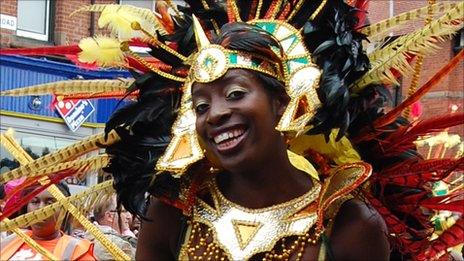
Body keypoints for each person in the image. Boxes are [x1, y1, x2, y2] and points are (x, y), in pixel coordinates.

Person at [0, 0, 462, 260]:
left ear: (283, 100)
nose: (216, 113)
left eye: (236, 94)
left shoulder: (345, 224)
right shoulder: (174, 210)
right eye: (201, 105)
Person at [0, 181, 96, 260]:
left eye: (50, 203)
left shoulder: (77, 251)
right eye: (34, 202)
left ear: (64, 210)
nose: (41, 208)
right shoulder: (12, 239)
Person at [84, 195, 136, 260]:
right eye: (123, 211)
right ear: (109, 216)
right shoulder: (119, 245)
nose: (128, 216)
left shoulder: (90, 236)